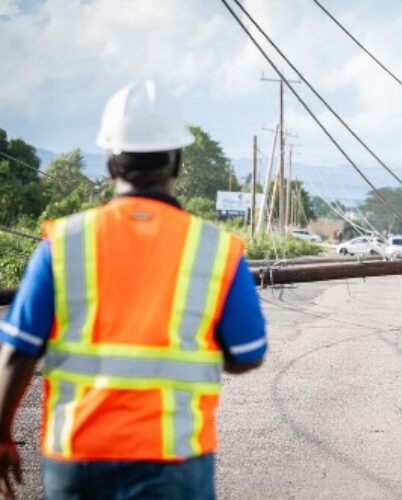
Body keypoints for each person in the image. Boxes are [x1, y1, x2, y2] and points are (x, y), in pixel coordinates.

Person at [0, 80, 267, 499]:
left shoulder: (65, 243)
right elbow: (248, 355)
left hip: (79, 457)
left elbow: (18, 350)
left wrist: (1, 437)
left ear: (110, 165)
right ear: (177, 164)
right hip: (175, 460)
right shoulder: (217, 251)